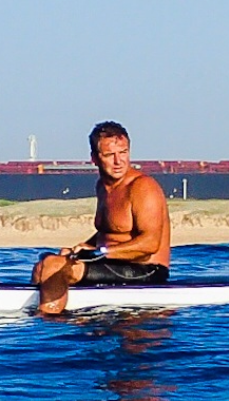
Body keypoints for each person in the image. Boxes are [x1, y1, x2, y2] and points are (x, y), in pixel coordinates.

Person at [31, 121, 171, 314]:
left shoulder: (142, 187)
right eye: (109, 155)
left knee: (54, 265)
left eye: (123, 152)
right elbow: (109, 230)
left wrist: (98, 252)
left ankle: (50, 327)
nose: (118, 161)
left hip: (147, 269)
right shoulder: (103, 186)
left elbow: (150, 244)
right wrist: (82, 248)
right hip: (114, 262)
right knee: (46, 263)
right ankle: (46, 310)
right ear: (95, 158)